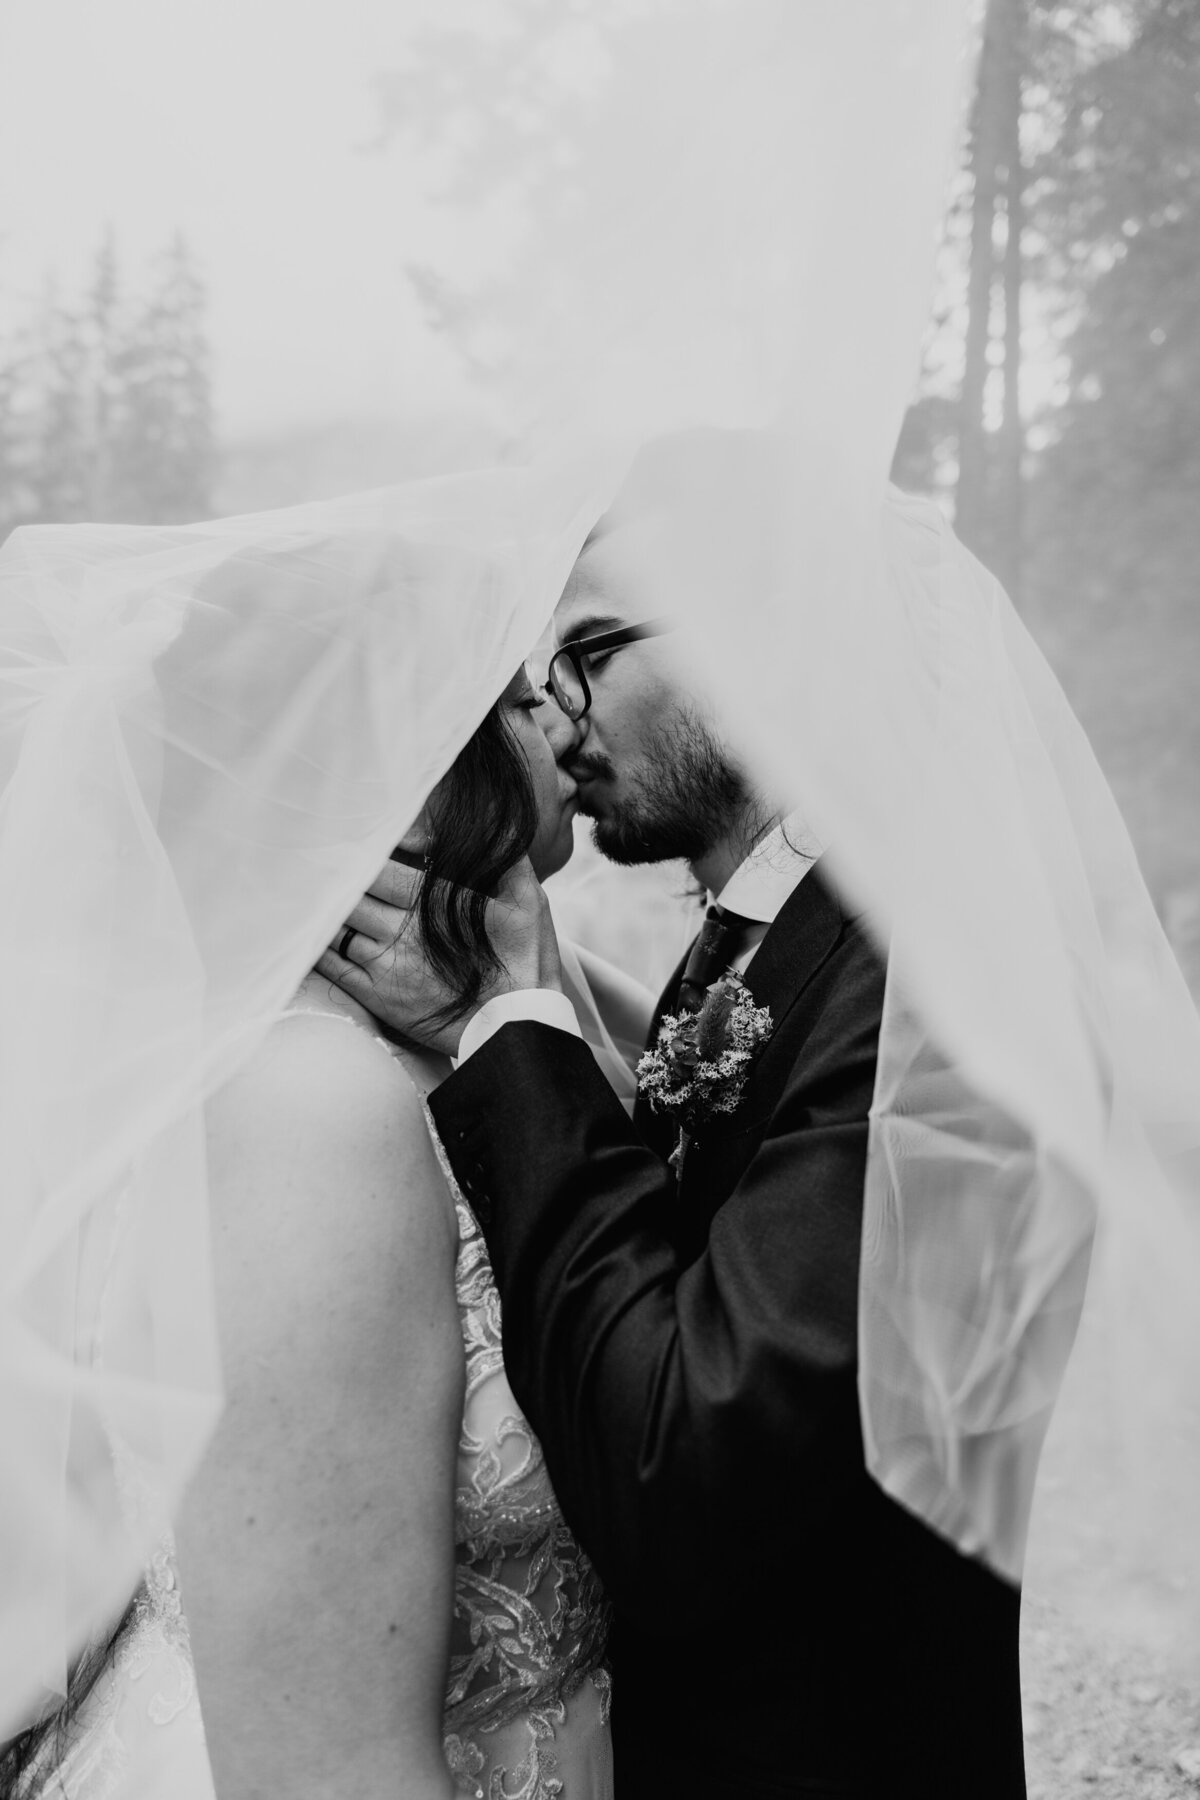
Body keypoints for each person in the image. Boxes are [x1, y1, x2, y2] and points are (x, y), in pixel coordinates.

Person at [322, 438, 1037, 1800]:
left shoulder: (927, 978)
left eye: (591, 652)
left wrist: (509, 1027)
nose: (555, 714)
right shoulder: (770, 944)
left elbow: (682, 1468)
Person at [0, 485, 632, 1800]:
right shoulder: (311, 1109)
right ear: (403, 761)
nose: (560, 717)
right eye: (517, 697)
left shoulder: (473, 1030)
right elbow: (323, 1770)